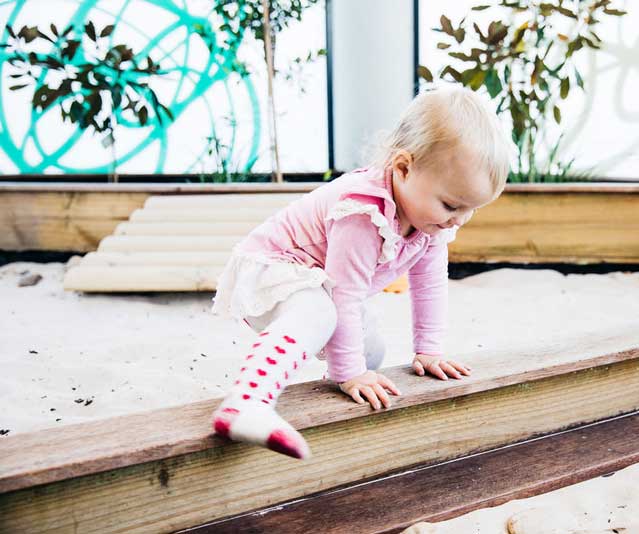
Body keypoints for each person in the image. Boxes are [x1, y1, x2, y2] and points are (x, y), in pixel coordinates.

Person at [211, 86, 514, 459]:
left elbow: (430, 284)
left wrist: (429, 350)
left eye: (471, 209)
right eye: (452, 204)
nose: (460, 219)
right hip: (274, 269)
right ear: (403, 168)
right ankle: (246, 402)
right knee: (321, 316)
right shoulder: (363, 211)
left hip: (321, 285)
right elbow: (344, 295)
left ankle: (334, 396)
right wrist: (347, 372)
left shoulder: (431, 222)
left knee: (371, 349)